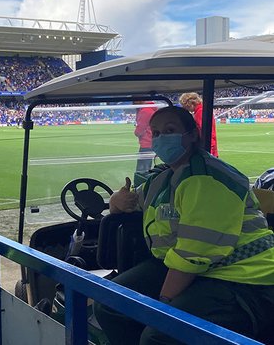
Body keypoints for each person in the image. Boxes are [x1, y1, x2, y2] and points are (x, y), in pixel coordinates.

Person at [93, 106, 274, 344]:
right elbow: (133, 201)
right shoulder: (165, 178)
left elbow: (193, 255)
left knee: (158, 336)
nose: (160, 138)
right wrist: (116, 201)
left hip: (244, 277)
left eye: (170, 130)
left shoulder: (207, 180)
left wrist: (163, 303)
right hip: (193, 266)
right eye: (156, 133)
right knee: (109, 304)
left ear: (192, 134)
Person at [179, 92, 218, 157]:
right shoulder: (201, 110)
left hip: (208, 148)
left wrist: (209, 152)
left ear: (190, 104)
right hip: (209, 147)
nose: (187, 109)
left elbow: (207, 133)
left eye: (186, 107)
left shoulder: (200, 112)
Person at [133, 101, 157, 173]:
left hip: (146, 144)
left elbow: (140, 130)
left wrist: (136, 132)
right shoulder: (151, 109)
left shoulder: (145, 111)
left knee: (142, 170)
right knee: (147, 168)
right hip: (151, 142)